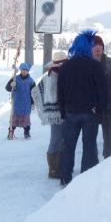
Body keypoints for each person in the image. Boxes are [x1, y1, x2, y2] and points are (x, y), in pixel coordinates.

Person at [58, 31, 107, 186]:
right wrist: (99, 109)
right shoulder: (95, 66)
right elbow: (103, 91)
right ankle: (86, 178)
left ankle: (65, 176)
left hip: (70, 113)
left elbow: (60, 92)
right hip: (90, 113)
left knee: (68, 145)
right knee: (89, 146)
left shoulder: (65, 66)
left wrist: (63, 112)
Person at [32, 51, 68, 179]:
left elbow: (37, 90)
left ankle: (59, 167)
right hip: (55, 114)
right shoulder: (52, 77)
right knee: (56, 140)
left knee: (61, 140)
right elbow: (37, 91)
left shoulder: (54, 75)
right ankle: (53, 170)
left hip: (60, 113)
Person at [93, 35, 111, 158]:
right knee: (90, 136)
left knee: (108, 134)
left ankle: (108, 158)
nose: (98, 48)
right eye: (95, 46)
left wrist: (107, 102)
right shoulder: (87, 62)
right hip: (91, 106)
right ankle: (93, 161)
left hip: (107, 105)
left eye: (100, 46)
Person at [6, 62, 35, 139]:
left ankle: (27, 132)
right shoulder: (15, 79)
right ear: (20, 70)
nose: (24, 71)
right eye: (23, 70)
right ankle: (11, 132)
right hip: (17, 103)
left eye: (26, 70)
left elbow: (33, 93)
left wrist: (33, 103)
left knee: (26, 119)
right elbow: (7, 88)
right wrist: (11, 84)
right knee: (14, 119)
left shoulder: (31, 81)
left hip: (26, 103)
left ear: (28, 71)